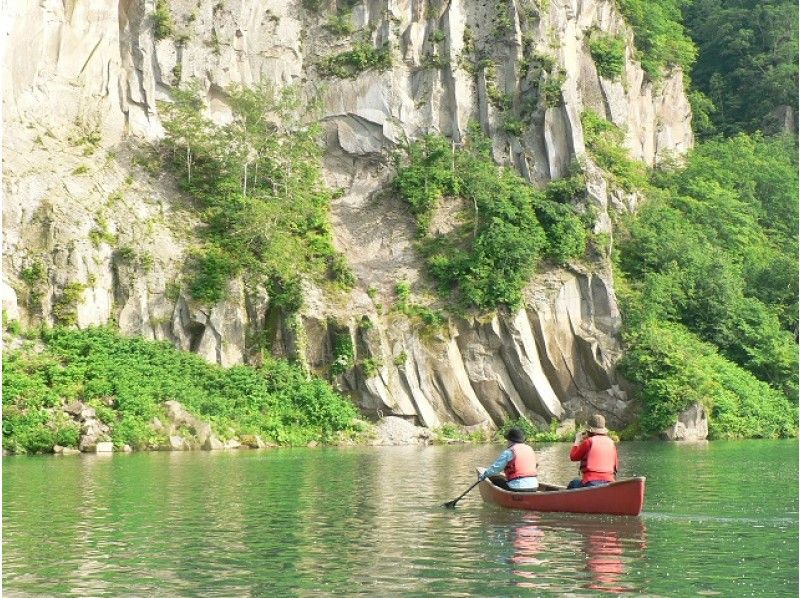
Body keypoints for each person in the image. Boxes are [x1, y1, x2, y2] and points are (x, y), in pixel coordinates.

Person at [567, 414, 617, 489]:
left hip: (591, 483)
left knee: (574, 483)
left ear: (589, 430)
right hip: (610, 483)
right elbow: (615, 467)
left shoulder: (588, 442)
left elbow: (573, 457)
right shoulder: (611, 443)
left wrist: (577, 441)